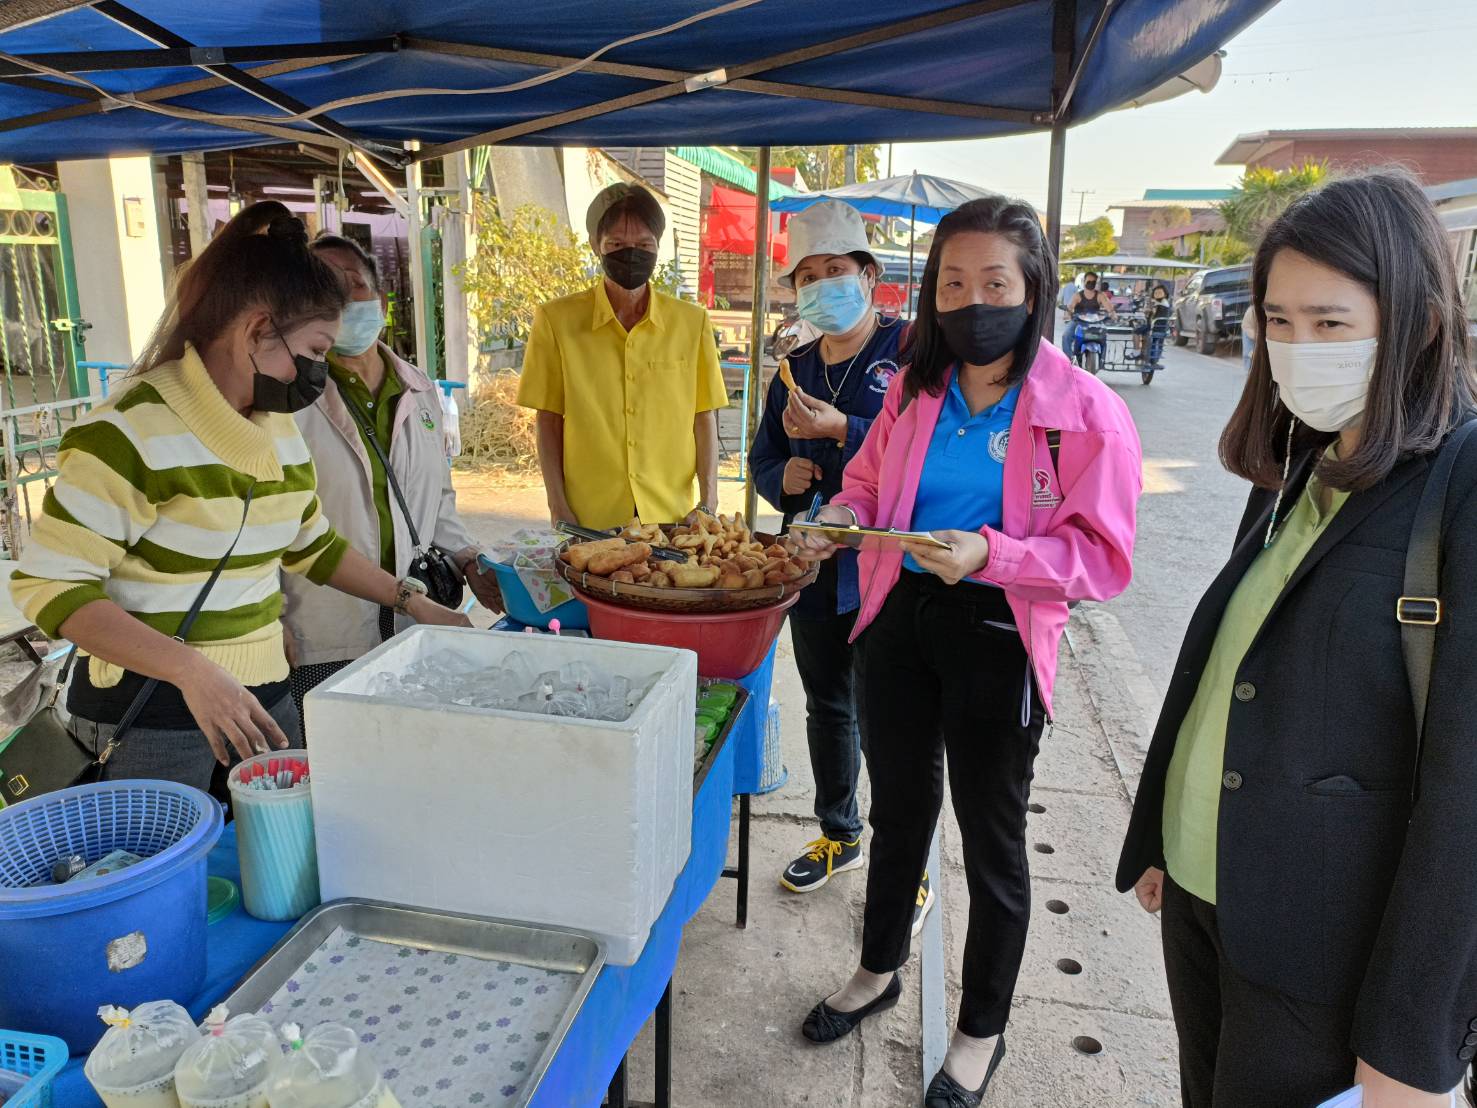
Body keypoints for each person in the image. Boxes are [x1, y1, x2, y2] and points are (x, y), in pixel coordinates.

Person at [1117, 172, 1477, 1108]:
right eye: (1276, 321)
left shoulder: (1461, 486)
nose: (1294, 348)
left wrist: (1413, 1042)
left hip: (1327, 952)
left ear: (1420, 324)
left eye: (1328, 323)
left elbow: (1467, 790)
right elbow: (1227, 663)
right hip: (1205, 895)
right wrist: (1163, 829)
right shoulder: (1300, 464)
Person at [793, 195, 1142, 1107]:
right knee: (901, 810)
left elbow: (1101, 559)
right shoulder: (914, 387)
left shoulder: (1082, 412)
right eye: (953, 282)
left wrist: (996, 553)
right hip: (898, 622)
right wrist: (843, 517)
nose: (971, 299)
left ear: (1032, 292)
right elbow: (867, 481)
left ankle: (979, 1029)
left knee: (992, 844)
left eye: (995, 282)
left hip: (998, 632)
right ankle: (877, 970)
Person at [8, 205, 469, 792]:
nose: (319, 371)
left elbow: (313, 544)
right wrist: (191, 671)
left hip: (266, 698)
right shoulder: (129, 432)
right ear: (256, 332)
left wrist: (412, 600)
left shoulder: (276, 426)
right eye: (317, 350)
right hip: (152, 714)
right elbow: (51, 586)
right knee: (166, 874)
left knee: (283, 861)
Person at [749, 201, 932, 923]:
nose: (824, 286)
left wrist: (846, 430)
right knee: (827, 705)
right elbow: (764, 455)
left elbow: (923, 451)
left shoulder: (913, 353)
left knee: (896, 718)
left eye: (837, 271)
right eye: (810, 276)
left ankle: (905, 862)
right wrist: (780, 479)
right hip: (814, 565)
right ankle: (838, 833)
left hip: (890, 568)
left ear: (870, 274)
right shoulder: (791, 370)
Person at [283, 233, 503, 717]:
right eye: (323, 287)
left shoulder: (418, 388)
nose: (342, 300)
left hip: (414, 628)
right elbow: (267, 522)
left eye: (353, 285)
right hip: (323, 632)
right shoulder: (285, 399)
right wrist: (267, 618)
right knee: (332, 767)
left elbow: (436, 501)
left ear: (380, 298)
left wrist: (467, 557)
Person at [518, 183, 727, 529]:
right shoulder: (556, 321)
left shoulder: (692, 323)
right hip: (588, 518)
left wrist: (708, 502)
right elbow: (549, 420)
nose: (631, 253)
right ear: (595, 246)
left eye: (644, 245)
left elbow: (703, 416)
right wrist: (558, 507)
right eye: (616, 244)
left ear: (658, 248)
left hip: (672, 517)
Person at [1065, 270, 1112, 359]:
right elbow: (1070, 306)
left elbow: (1109, 307)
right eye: (1089, 281)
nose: (1091, 284)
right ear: (1084, 281)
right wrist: (1068, 313)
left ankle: (1102, 358)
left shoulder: (1100, 295)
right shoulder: (1077, 295)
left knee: (1104, 335)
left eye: (1093, 282)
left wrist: (1112, 314)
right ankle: (1068, 359)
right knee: (1066, 335)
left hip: (1095, 321)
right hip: (1078, 321)